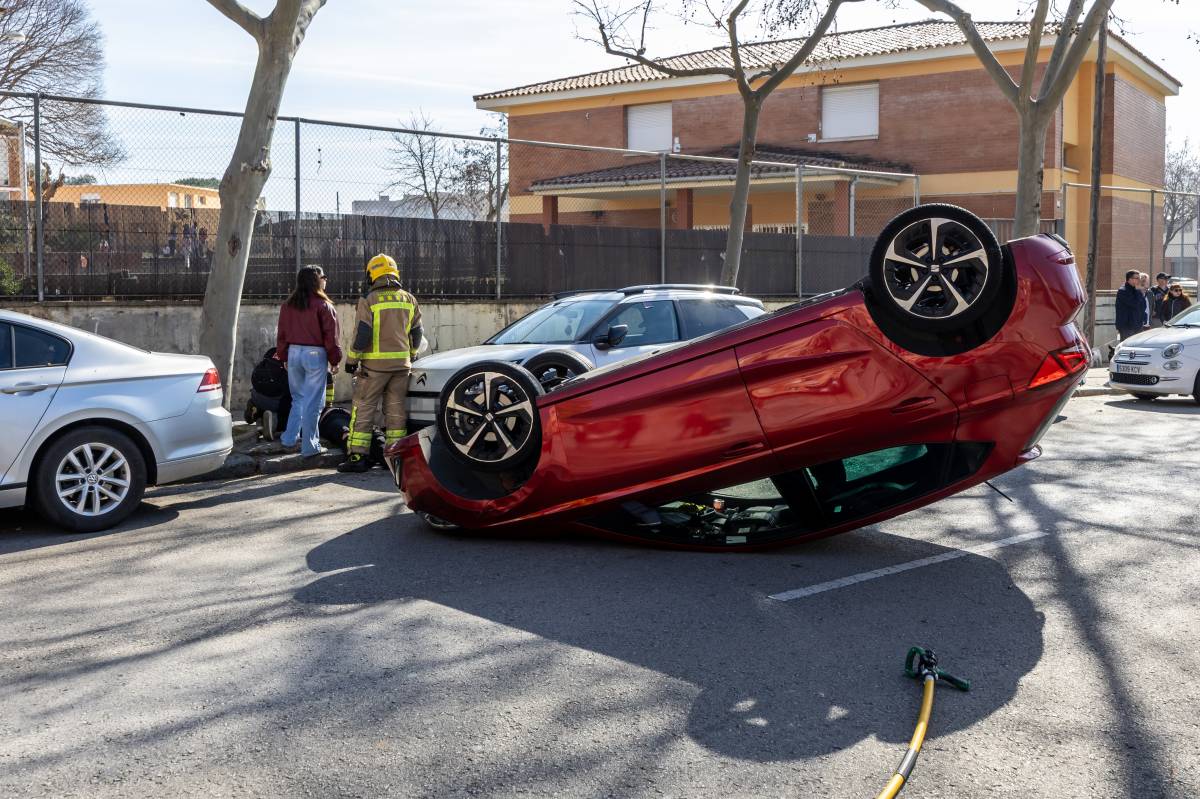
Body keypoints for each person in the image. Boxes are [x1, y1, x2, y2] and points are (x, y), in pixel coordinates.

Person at [338, 253, 423, 473]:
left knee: (363, 410)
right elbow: (417, 332)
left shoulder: (369, 299)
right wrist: (412, 354)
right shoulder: (408, 298)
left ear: (372, 275)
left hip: (373, 368)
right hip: (402, 366)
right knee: (396, 413)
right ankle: (394, 458)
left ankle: (357, 457)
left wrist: (352, 360)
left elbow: (362, 334)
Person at [275, 265, 343, 457]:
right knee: (314, 402)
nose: (326, 280)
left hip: (294, 352)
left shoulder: (288, 305)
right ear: (316, 280)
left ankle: (289, 438)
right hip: (315, 355)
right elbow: (332, 337)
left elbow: (282, 333)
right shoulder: (324, 306)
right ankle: (310, 446)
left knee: (298, 398)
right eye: (324, 276)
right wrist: (335, 359)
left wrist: (283, 356)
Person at [1115, 270, 1146, 341]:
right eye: (1137, 278)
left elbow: (1143, 305)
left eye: (1139, 278)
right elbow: (1134, 304)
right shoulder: (1123, 291)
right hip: (1127, 326)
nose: (1139, 280)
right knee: (1127, 347)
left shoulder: (1136, 289)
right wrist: (1138, 291)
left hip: (1138, 324)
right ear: (1130, 279)